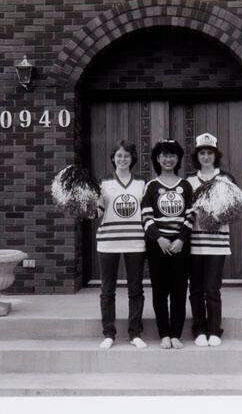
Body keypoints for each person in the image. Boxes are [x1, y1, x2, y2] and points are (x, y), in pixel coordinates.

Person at [141, 139, 194, 349]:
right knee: (160, 291)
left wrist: (181, 238)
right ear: (157, 158)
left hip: (180, 246)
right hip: (158, 246)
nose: (168, 159)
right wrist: (158, 238)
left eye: (172, 155)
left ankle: (175, 334)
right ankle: (164, 333)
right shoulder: (151, 186)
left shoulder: (185, 185)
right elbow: (146, 216)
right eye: (164, 155)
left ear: (178, 158)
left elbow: (191, 215)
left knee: (179, 291)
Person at [95, 140, 147, 349]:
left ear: (132, 159)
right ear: (113, 158)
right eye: (119, 155)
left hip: (135, 242)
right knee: (108, 290)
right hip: (108, 242)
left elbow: (146, 213)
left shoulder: (141, 184)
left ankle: (135, 333)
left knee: (136, 289)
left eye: (126, 156)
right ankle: (109, 333)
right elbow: (96, 213)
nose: (123, 159)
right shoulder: (103, 183)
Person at [186, 133, 236, 347]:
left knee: (212, 289)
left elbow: (235, 209)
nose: (206, 156)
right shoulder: (189, 181)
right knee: (196, 288)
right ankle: (199, 329)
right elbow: (185, 212)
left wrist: (216, 216)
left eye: (210, 153)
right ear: (197, 156)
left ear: (216, 155)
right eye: (202, 153)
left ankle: (215, 329)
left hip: (217, 242)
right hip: (195, 242)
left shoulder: (226, 179)